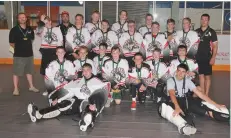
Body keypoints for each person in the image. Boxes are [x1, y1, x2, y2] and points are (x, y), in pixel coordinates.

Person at [27, 63, 110, 132]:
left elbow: (104, 90)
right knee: (63, 105)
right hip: (77, 101)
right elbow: (69, 90)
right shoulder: (78, 80)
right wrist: (58, 99)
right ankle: (38, 114)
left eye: (87, 70)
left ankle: (86, 121)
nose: (85, 72)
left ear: (91, 70)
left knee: (88, 108)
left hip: (88, 101)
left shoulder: (98, 81)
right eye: (83, 70)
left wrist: (95, 103)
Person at [158, 63, 229, 136]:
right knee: (168, 109)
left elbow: (200, 94)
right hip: (173, 101)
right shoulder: (171, 80)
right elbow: (172, 94)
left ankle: (227, 117)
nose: (180, 73)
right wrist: (177, 106)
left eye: (183, 72)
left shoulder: (187, 81)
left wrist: (216, 104)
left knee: (208, 111)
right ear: (176, 71)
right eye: (179, 71)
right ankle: (183, 127)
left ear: (186, 73)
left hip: (186, 100)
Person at [9, 12, 39, 96]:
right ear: (18, 19)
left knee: (29, 71)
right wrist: (20, 48)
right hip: (19, 55)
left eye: (24, 17)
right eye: (20, 17)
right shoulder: (14, 30)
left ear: (26, 19)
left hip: (29, 55)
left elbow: (31, 40)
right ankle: (15, 88)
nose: (22, 19)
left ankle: (31, 86)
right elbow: (11, 43)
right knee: (16, 72)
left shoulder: (30, 29)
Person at [195, 14, 218, 96]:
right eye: (202, 19)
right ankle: (202, 94)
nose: (204, 21)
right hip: (198, 57)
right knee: (201, 76)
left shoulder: (212, 32)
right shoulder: (196, 31)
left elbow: (215, 46)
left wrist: (213, 57)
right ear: (200, 20)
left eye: (206, 19)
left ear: (208, 21)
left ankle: (207, 94)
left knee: (207, 77)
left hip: (208, 57)